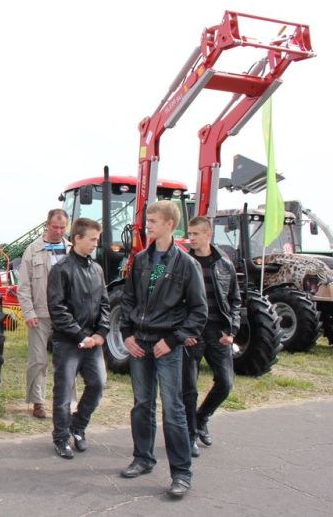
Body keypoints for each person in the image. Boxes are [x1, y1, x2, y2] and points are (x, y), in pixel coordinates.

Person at [119, 200, 207, 499]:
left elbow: (198, 311)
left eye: (154, 220)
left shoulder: (186, 264)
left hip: (166, 346)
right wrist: (127, 334)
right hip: (140, 345)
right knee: (142, 404)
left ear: (170, 224)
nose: (148, 225)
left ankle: (181, 474)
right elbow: (129, 299)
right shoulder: (142, 260)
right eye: (148, 221)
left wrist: (172, 340)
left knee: (173, 410)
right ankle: (143, 458)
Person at [47, 218, 109, 459]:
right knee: (63, 394)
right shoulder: (61, 269)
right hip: (68, 342)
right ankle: (61, 438)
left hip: (92, 343)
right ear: (77, 239)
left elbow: (104, 303)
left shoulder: (97, 269)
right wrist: (81, 336)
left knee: (98, 385)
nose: (96, 244)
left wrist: (101, 333)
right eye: (92, 239)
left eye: (97, 239)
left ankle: (78, 426)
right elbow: (57, 308)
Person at [184, 216, 241, 456]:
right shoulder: (182, 262)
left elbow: (235, 300)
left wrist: (232, 330)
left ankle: (201, 417)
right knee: (189, 387)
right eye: (190, 233)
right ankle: (189, 434)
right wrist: (182, 332)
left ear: (208, 235)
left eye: (196, 234)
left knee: (226, 383)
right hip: (192, 334)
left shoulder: (224, 264)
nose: (192, 238)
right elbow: (172, 301)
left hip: (218, 333)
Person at [17, 209, 71, 418]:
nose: (58, 231)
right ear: (47, 225)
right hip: (40, 314)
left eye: (62, 227)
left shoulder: (71, 250)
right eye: (55, 227)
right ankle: (38, 402)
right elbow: (23, 285)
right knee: (38, 359)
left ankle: (66, 402)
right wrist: (28, 312)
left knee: (66, 361)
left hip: (65, 315)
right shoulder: (33, 250)